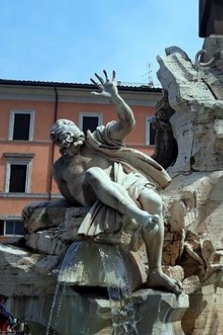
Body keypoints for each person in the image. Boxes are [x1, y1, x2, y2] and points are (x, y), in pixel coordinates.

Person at [24, 70, 180, 294]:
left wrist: (115, 97)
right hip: (93, 199)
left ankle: (155, 271)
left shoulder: (98, 139)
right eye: (58, 137)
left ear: (76, 131)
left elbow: (127, 123)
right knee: (95, 174)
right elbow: (69, 200)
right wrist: (44, 207)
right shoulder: (60, 168)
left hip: (125, 180)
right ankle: (139, 216)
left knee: (155, 201)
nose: (63, 138)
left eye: (66, 133)